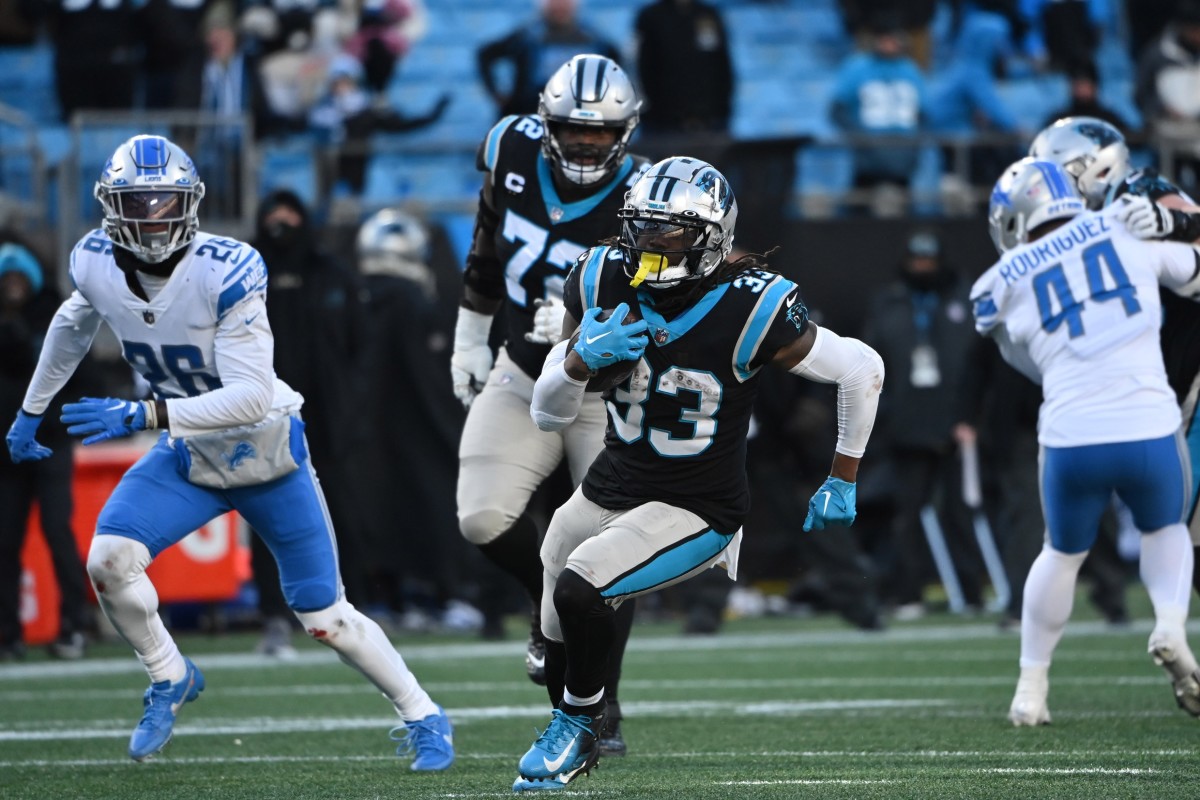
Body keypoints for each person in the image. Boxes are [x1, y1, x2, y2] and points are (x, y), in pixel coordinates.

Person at [2, 134, 454, 769]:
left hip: (266, 452)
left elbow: (247, 397)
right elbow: (75, 320)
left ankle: (425, 715)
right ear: (111, 206)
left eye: (166, 202)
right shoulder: (95, 261)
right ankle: (168, 674)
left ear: (190, 204)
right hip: (189, 453)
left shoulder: (227, 267)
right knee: (108, 560)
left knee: (325, 617)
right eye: (138, 202)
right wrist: (31, 408)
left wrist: (143, 412)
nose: (153, 216)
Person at [516, 155, 884, 790]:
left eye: (671, 230)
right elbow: (548, 417)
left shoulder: (754, 304)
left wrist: (843, 474)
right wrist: (574, 363)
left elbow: (862, 368)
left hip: (696, 506)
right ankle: (573, 734)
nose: (651, 244)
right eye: (641, 227)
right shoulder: (601, 275)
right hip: (610, 483)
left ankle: (581, 730)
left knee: (582, 590)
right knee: (553, 634)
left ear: (712, 236)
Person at [451, 54, 647, 756]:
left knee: (611, 552)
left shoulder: (647, 193)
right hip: (522, 370)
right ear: (545, 122)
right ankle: (545, 606)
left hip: (606, 390)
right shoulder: (509, 148)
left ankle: (601, 708)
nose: (588, 145)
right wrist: (470, 337)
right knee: (480, 516)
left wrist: (593, 328)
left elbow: (667, 297)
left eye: (603, 134)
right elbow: (483, 245)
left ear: (626, 130)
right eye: (574, 131)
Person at [972, 158, 1200, 726]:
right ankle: (1170, 624)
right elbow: (1193, 273)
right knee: (1165, 530)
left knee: (1061, 552)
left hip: (1072, 434)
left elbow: (1020, 357)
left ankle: (1031, 687)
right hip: (1148, 421)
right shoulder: (1121, 227)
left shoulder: (998, 281)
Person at [1029, 116, 1200, 599]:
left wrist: (1175, 223)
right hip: (1161, 392)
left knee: (1187, 536)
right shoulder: (1079, 229)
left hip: (1191, 383)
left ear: (1094, 169)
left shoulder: (1141, 190)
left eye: (1058, 176)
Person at [862, 229, 984, 618]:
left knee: (960, 514)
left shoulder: (965, 300)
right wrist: (885, 417)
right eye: (916, 261)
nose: (923, 268)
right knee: (907, 517)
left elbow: (981, 364)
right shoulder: (889, 304)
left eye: (929, 261)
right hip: (906, 428)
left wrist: (974, 417)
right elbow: (869, 364)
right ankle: (908, 593)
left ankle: (970, 593)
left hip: (957, 424)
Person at [0, 241, 93, 661]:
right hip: (6, 451)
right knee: (5, 540)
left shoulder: (59, 316)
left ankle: (75, 622)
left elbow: (80, 374)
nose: (13, 286)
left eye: (19, 277)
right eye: (7, 278)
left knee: (58, 531)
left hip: (50, 442)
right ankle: (7, 631)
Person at [476, 0, 621, 120]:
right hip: (529, 116)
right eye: (554, 2)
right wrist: (497, 95)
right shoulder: (526, 38)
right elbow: (485, 55)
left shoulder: (594, 41)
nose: (560, 6)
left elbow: (616, 66)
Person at [633, 0, 734, 138]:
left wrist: (721, 111)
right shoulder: (651, 16)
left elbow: (722, 65)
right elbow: (643, 68)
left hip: (709, 120)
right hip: (663, 124)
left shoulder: (707, 15)